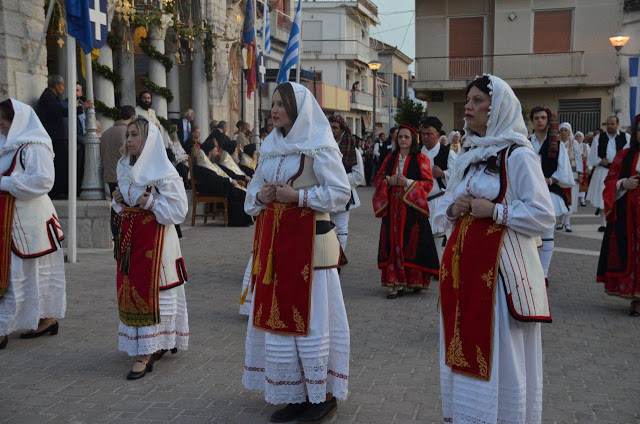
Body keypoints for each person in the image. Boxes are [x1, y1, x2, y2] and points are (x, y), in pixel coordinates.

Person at [435, 75, 554, 424]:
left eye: (476, 101)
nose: (468, 107)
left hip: (500, 278)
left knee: (500, 351)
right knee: (462, 346)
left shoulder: (518, 154)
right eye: (467, 100)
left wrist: (497, 211)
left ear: (496, 108)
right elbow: (447, 207)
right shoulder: (470, 153)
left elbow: (543, 215)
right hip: (464, 273)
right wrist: (455, 208)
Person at [242, 82, 351, 423]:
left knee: (313, 319)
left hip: (310, 250)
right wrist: (262, 198)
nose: (274, 109)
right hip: (275, 247)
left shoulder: (320, 147)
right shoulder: (271, 148)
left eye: (281, 104)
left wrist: (298, 198)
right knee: (281, 321)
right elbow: (251, 197)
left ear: (298, 110)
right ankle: (294, 391)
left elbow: (340, 193)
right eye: (272, 103)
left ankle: (322, 395)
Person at [111, 118, 189, 380]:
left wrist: (151, 201)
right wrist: (118, 201)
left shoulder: (163, 170)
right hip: (132, 240)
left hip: (158, 242)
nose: (129, 140)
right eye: (128, 135)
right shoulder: (124, 166)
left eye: (135, 135)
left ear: (148, 139)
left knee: (155, 291)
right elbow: (123, 206)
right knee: (131, 289)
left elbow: (179, 210)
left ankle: (147, 351)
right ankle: (145, 345)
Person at [0, 99, 66, 350]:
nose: (1, 124)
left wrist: (4, 183)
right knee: (16, 274)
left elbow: (42, 182)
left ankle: (44, 319)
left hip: (31, 223)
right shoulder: (5, 145)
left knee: (33, 274)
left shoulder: (34, 146)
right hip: (8, 223)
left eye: (5, 120)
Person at [373, 123, 440, 299]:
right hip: (392, 209)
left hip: (412, 209)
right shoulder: (389, 158)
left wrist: (408, 183)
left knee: (412, 243)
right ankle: (395, 283)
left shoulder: (421, 158)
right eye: (400, 137)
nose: (402, 140)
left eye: (406, 137)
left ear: (413, 140)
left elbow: (428, 183)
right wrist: (389, 181)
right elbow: (378, 178)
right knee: (393, 242)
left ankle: (414, 281)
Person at [597, 114, 640, 317]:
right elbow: (610, 181)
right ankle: (636, 299)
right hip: (630, 219)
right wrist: (624, 183)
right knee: (633, 256)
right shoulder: (625, 154)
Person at [528, 106, 573, 281]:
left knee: (547, 234)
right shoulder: (526, 142)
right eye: (536, 118)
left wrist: (549, 180)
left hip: (548, 192)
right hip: (528, 193)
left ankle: (543, 273)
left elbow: (563, 171)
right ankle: (531, 271)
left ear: (548, 121)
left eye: (543, 118)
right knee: (528, 234)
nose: (539, 121)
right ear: (532, 121)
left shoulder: (556, 144)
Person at [36, 75, 93, 199]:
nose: (63, 88)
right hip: (55, 137)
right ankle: (58, 191)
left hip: (60, 137)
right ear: (56, 85)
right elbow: (61, 111)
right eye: (62, 85)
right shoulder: (48, 97)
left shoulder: (53, 97)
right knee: (60, 165)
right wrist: (82, 108)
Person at [187, 138, 252, 227]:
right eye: (216, 151)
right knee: (237, 192)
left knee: (238, 191)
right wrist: (230, 181)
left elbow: (220, 176)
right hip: (209, 188)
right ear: (210, 153)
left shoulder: (210, 164)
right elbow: (213, 179)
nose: (218, 154)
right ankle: (237, 221)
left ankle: (242, 220)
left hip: (215, 185)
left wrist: (231, 181)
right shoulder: (202, 166)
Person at [419, 117, 457, 261]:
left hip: (438, 199)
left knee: (439, 237)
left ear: (438, 134)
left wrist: (443, 174)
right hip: (419, 201)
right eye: (423, 134)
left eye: (429, 134)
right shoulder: (417, 153)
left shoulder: (448, 153)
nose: (425, 137)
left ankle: (440, 268)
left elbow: (457, 177)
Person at [587, 116, 631, 231]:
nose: (610, 126)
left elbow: (629, 152)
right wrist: (599, 161)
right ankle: (604, 223)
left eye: (612, 124)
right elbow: (592, 154)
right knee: (604, 198)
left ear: (618, 124)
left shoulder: (626, 137)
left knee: (620, 197)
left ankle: (619, 222)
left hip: (620, 172)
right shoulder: (599, 138)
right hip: (603, 171)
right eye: (608, 124)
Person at [328, 115, 365, 251]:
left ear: (342, 130)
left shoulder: (352, 151)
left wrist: (337, 180)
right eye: (329, 127)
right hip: (326, 193)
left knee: (342, 228)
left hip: (344, 193)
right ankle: (330, 259)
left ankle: (339, 260)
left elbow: (358, 176)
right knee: (327, 228)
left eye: (335, 128)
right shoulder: (323, 149)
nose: (331, 130)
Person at [558, 122, 583, 232]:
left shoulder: (574, 143)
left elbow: (578, 158)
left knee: (571, 196)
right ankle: (559, 221)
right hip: (558, 172)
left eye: (565, 130)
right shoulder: (556, 142)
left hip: (572, 172)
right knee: (559, 195)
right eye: (561, 130)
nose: (563, 132)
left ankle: (567, 222)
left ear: (569, 132)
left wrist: (580, 173)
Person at [575, 131, 590, 206]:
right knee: (575, 182)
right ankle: (575, 198)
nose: (578, 138)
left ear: (582, 138)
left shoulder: (585, 146)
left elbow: (589, 157)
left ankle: (582, 199)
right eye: (576, 137)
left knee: (583, 182)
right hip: (575, 166)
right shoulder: (573, 145)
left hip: (584, 166)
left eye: (579, 137)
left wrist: (589, 167)